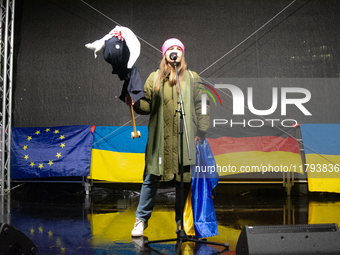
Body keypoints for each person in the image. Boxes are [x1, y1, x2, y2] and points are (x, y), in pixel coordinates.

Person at [127, 38, 210, 237]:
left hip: (186, 139)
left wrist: (202, 130)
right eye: (170, 49)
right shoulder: (154, 77)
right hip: (160, 139)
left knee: (185, 181)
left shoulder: (193, 77)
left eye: (178, 48)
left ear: (183, 53)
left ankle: (182, 222)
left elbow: (203, 104)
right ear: (164, 54)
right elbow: (147, 106)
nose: (175, 51)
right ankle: (141, 220)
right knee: (151, 178)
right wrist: (136, 103)